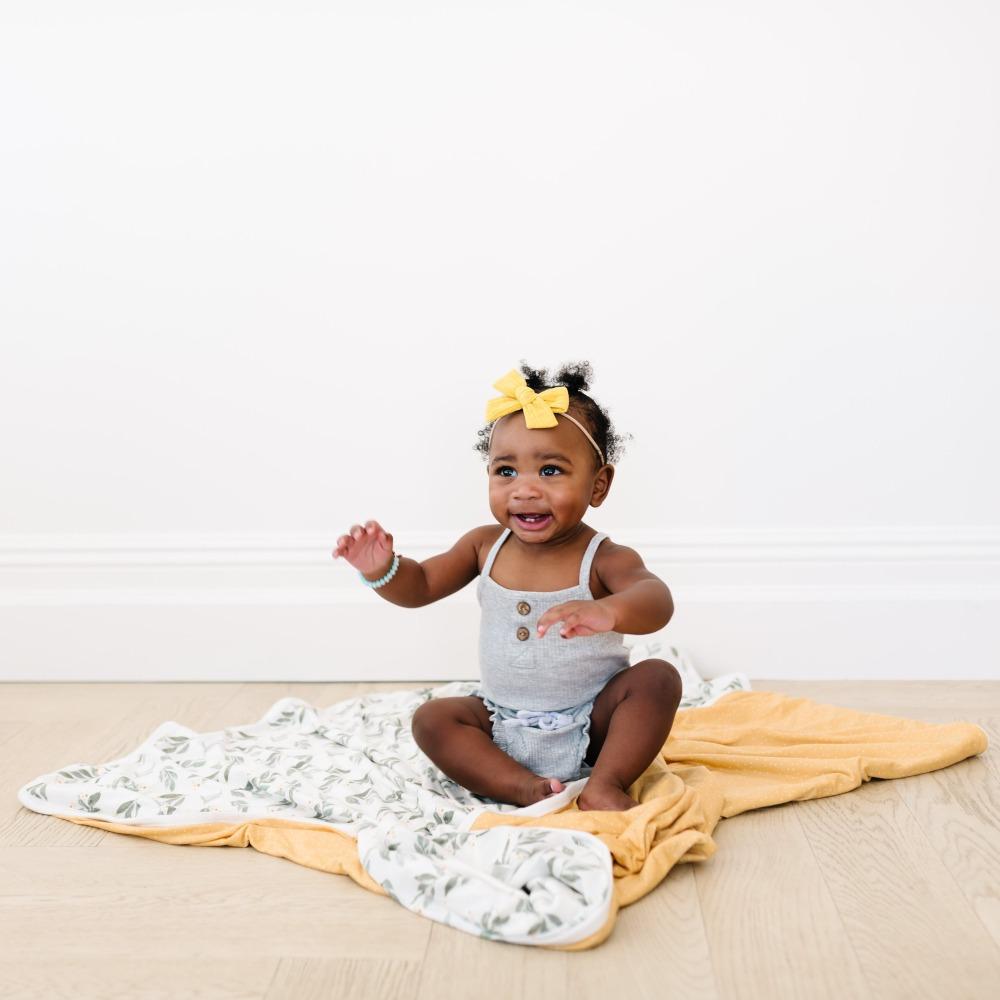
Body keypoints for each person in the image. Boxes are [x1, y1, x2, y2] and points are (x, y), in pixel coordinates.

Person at [332, 361, 681, 811]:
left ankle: (606, 783)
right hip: (501, 723)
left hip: (595, 723)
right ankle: (523, 787)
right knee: (433, 719)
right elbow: (420, 587)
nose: (525, 490)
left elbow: (656, 600)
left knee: (658, 680)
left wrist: (608, 611)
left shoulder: (605, 558)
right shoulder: (483, 545)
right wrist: (382, 568)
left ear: (599, 484)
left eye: (551, 471)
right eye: (506, 471)